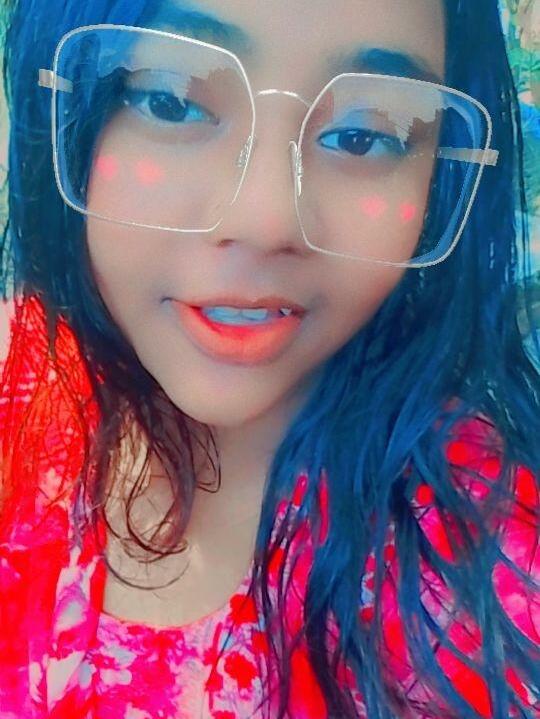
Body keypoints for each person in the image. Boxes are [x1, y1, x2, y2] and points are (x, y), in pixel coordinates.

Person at [0, 0, 538, 717]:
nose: (265, 219)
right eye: (172, 100)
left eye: (363, 136)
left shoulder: (485, 592)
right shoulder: (22, 379)